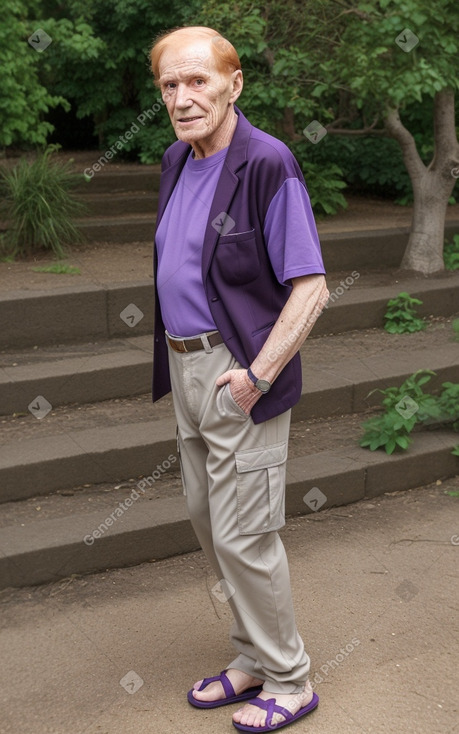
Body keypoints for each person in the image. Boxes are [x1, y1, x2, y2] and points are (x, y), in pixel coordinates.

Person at [150, 25, 329, 732]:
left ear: (234, 83)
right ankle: (250, 657)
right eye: (169, 85)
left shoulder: (266, 161)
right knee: (209, 524)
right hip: (183, 366)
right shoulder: (175, 159)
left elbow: (310, 287)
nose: (183, 98)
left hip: (237, 373)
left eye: (197, 81)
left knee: (245, 533)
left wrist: (256, 374)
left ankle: (291, 679)